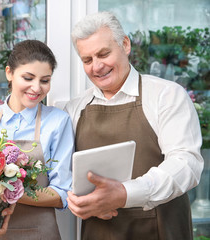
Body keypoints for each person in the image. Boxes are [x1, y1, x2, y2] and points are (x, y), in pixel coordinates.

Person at [64, 11, 204, 240]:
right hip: (97, 232)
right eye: (87, 60)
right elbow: (65, 175)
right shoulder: (74, 108)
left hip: (162, 231)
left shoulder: (166, 96)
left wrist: (125, 194)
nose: (96, 67)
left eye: (103, 54)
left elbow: (186, 163)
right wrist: (79, 200)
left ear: (125, 44)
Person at [0, 39, 74, 239]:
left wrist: (6, 193)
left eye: (45, 80)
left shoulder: (58, 122)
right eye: (28, 77)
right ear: (9, 73)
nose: (36, 88)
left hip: (38, 234)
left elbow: (62, 195)